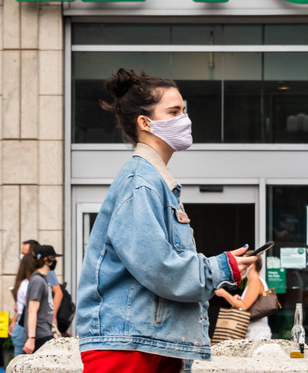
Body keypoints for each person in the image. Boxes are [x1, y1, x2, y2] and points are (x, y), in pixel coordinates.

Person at [76, 68, 256, 372]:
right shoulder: (140, 182)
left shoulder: (153, 181)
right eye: (173, 111)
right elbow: (157, 265)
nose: (185, 120)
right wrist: (219, 268)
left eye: (184, 111)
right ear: (145, 123)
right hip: (129, 342)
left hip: (145, 338)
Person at [214, 255, 271, 340]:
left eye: (243, 262)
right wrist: (235, 299)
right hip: (255, 331)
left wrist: (224, 294)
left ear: (251, 265)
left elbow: (244, 306)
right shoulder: (255, 281)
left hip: (256, 333)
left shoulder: (255, 281)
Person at [21, 239, 63, 333]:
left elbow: (58, 293)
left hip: (40, 325)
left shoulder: (47, 272)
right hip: (29, 322)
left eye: (25, 253)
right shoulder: (34, 272)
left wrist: (53, 316)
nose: (24, 257)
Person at [22, 245, 58, 354]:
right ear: (46, 260)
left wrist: (53, 331)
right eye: (53, 258)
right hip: (39, 337)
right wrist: (31, 338)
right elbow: (32, 310)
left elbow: (45, 308)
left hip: (44, 334)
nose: (55, 261)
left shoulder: (43, 279)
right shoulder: (38, 280)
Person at [9, 255, 37, 356]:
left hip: (19, 324)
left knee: (19, 361)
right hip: (23, 324)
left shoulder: (22, 283)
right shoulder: (28, 283)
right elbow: (30, 306)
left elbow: (18, 308)